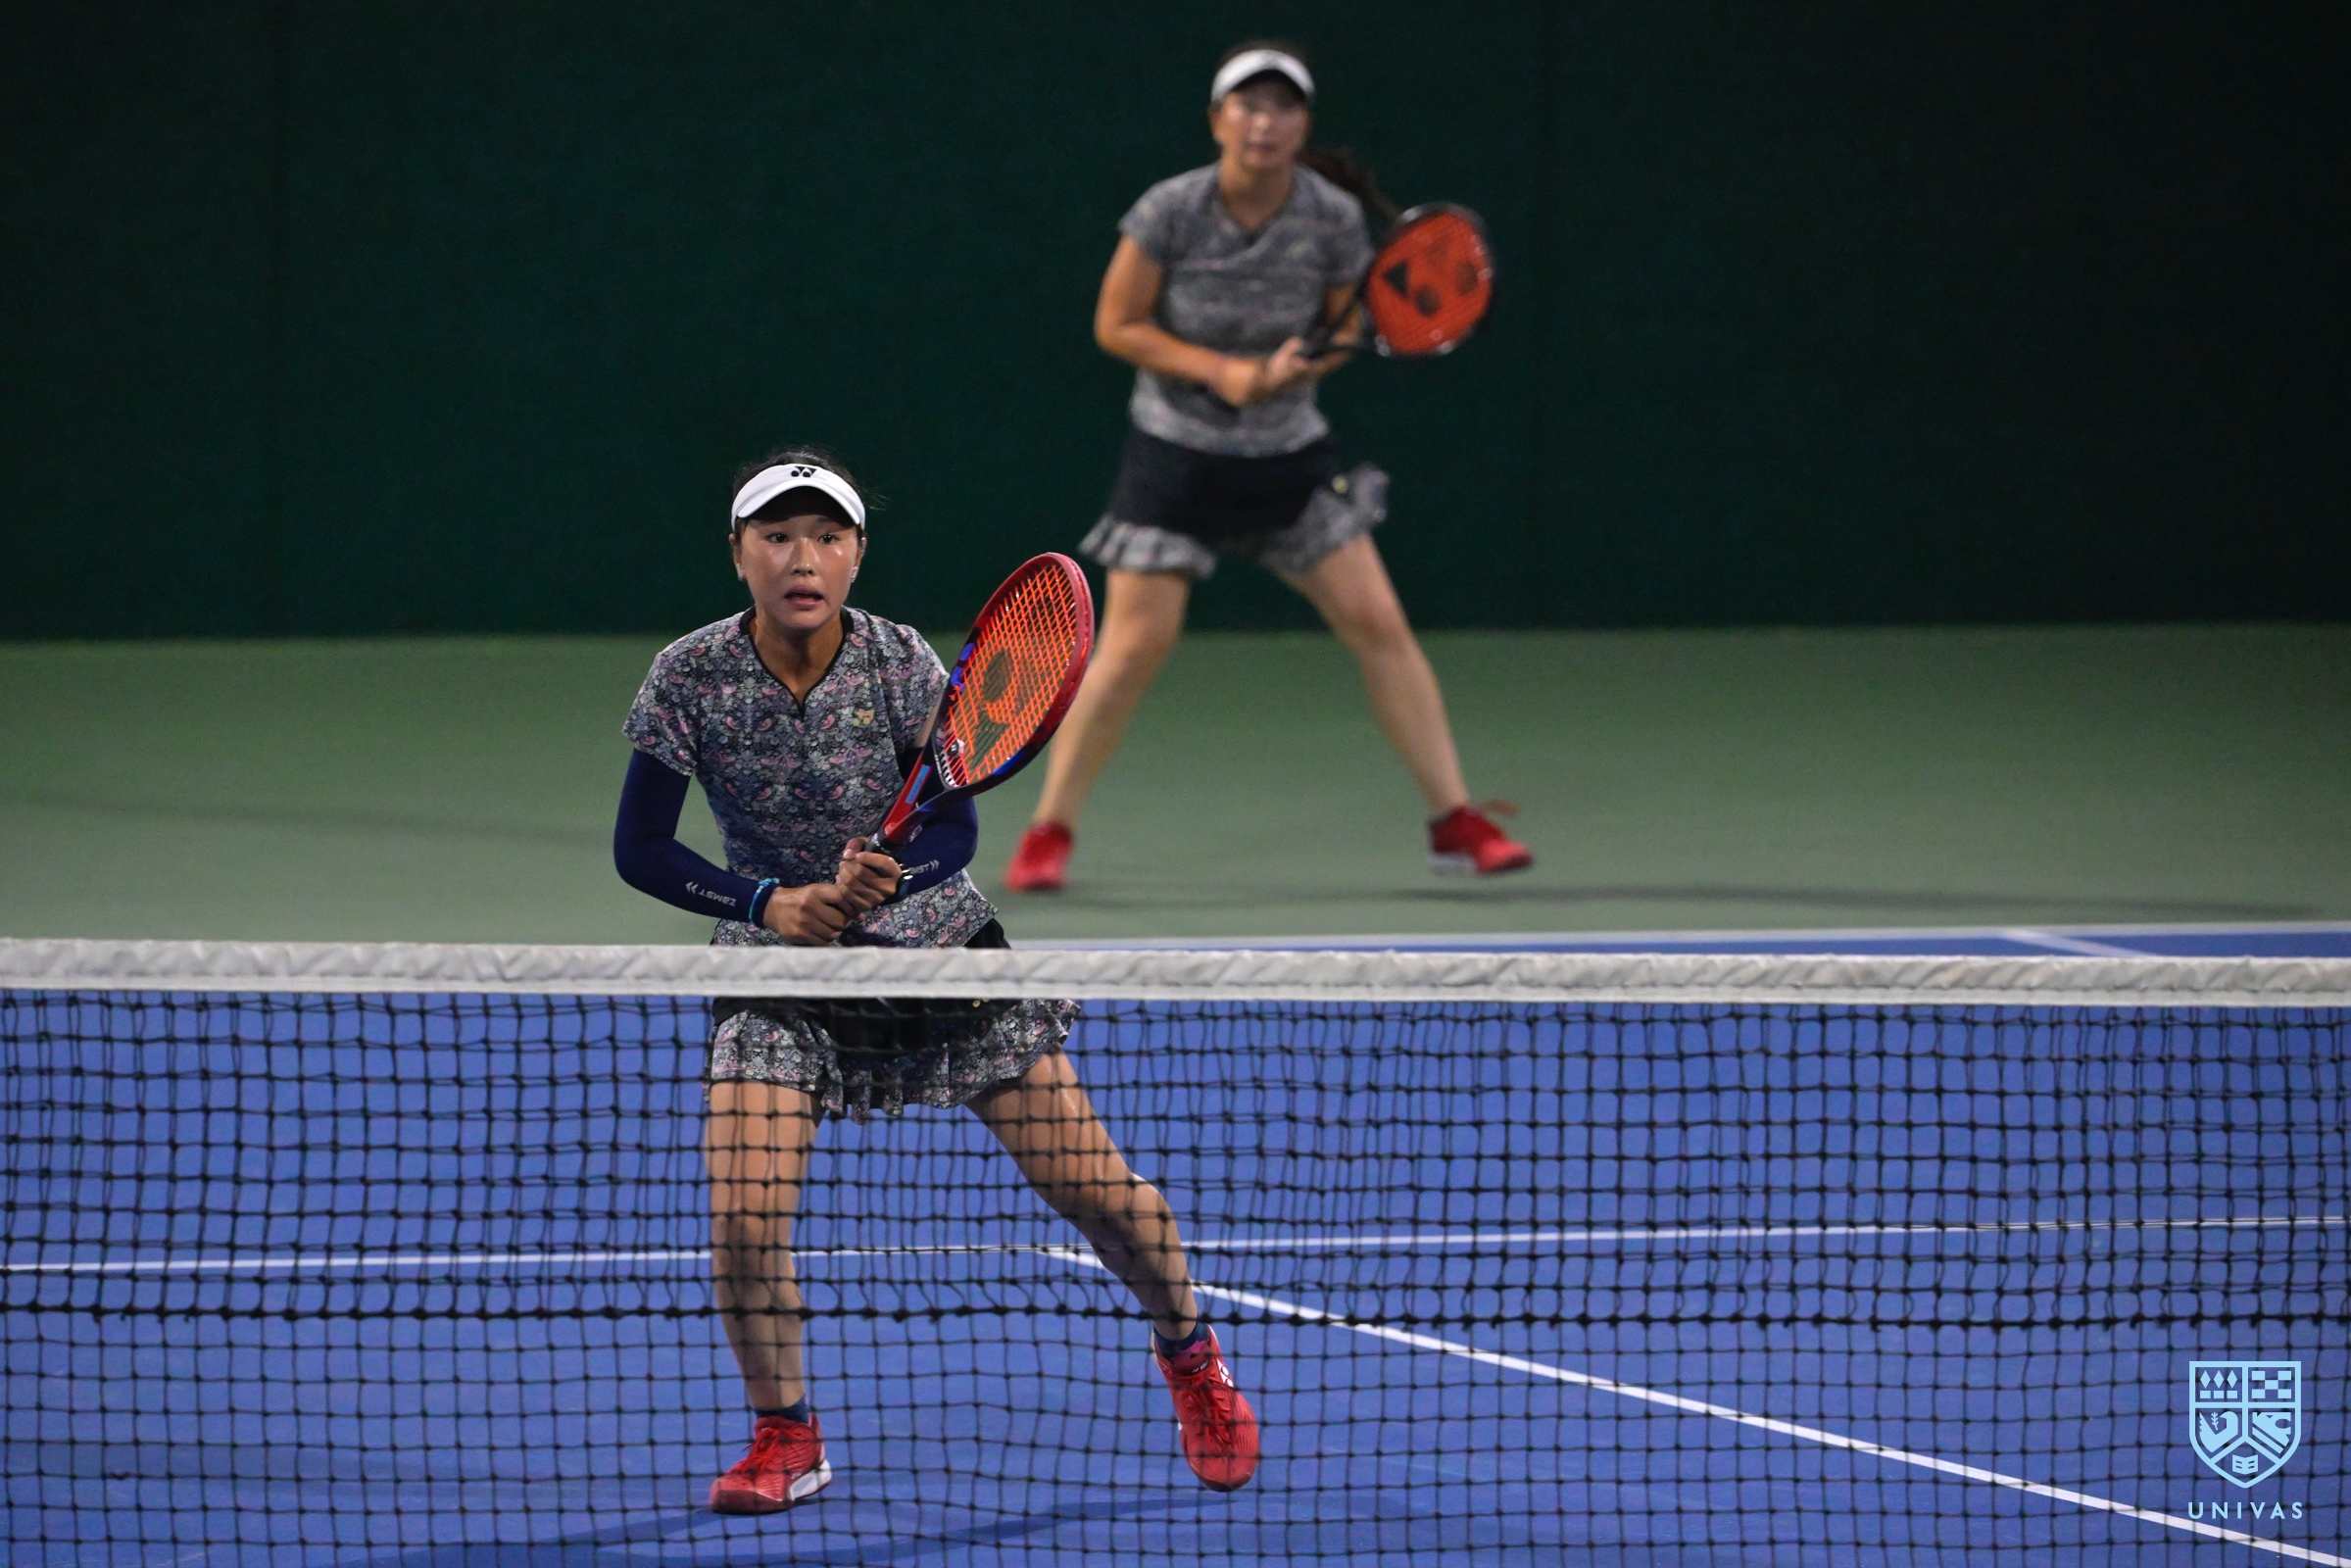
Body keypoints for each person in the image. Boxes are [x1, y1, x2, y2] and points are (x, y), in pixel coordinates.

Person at [613, 447, 1259, 1513]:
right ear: (738, 554)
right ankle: (786, 1435)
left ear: (857, 554)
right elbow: (639, 847)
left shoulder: (899, 658)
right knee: (742, 1220)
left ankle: (1189, 1352)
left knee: (1096, 1193)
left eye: (826, 537)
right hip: (781, 971)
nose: (802, 559)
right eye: (777, 536)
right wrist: (767, 901)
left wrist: (888, 876)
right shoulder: (688, 675)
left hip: (939, 954)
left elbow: (952, 825)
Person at [1003, 40, 1533, 894]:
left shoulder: (1330, 216)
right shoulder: (1169, 209)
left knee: (1378, 622)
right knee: (1134, 646)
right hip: (1176, 458)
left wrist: (1302, 364)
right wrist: (1223, 372)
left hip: (1286, 460)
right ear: (1218, 120)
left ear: (1302, 125)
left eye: (1283, 107)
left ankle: (1453, 820)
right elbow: (1117, 324)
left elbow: (1348, 321)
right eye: (1248, 105)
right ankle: (1048, 829)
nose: (1265, 122)